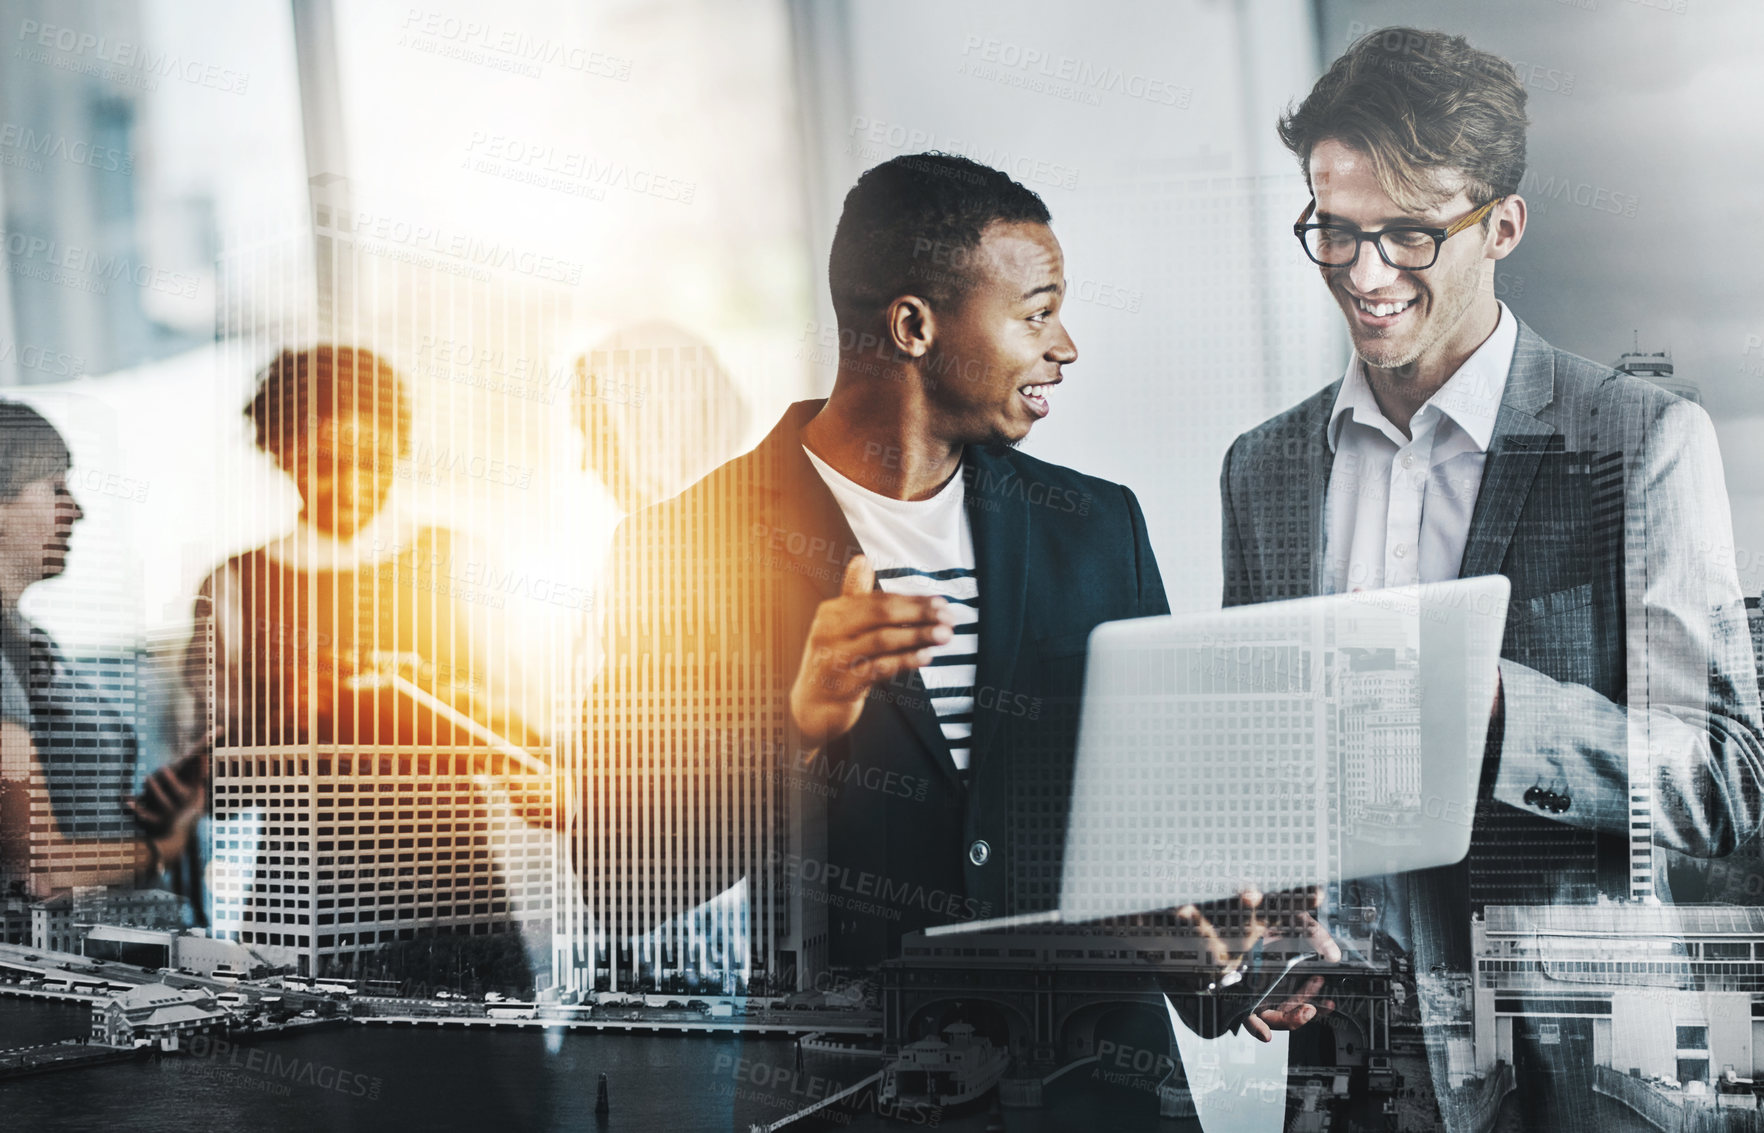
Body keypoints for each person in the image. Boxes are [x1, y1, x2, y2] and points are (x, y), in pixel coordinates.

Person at [1216, 27, 1764, 1127]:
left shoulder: (1639, 443)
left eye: (1409, 234)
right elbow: (1256, 770)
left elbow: (1725, 779)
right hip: (1352, 1074)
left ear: (1501, 225)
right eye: (1333, 229)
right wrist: (1256, 914)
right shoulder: (1264, 467)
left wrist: (1498, 707)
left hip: (1576, 1072)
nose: (1365, 276)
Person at [581, 153, 1169, 989]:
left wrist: (1241, 964)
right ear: (913, 328)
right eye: (1037, 316)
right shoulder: (679, 551)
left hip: (1097, 1081)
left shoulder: (1102, 528)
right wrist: (795, 724)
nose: (1064, 348)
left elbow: (1163, 813)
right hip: (849, 1084)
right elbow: (622, 878)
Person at [182, 346, 542, 977]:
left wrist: (445, 699)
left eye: (371, 460)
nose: (349, 484)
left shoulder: (458, 563)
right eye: (323, 462)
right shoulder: (234, 586)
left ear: (400, 449)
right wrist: (288, 715)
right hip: (301, 901)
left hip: (454, 898)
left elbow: (528, 746)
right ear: (280, 452)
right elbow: (207, 786)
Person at [0, 400, 199, 900]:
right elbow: (37, 868)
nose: (78, 511)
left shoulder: (29, 640)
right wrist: (164, 847)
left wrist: (152, 805)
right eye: (56, 488)